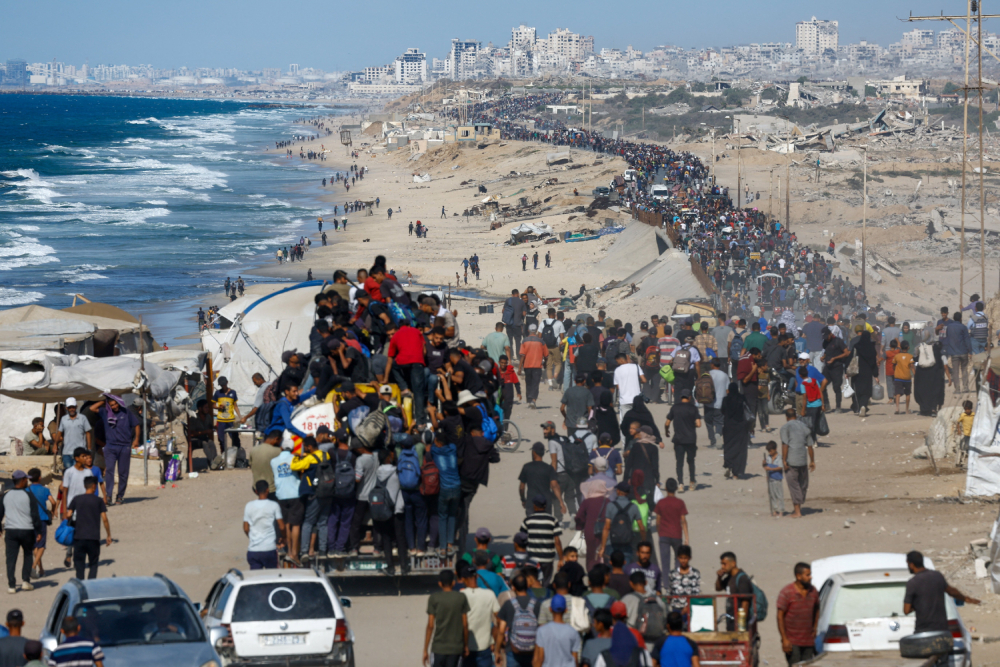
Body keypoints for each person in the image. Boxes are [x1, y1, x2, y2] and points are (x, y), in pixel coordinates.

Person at [903, 550, 979, 633]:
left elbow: (906, 610)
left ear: (911, 564)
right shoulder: (937, 576)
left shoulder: (912, 583)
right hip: (942, 630)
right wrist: (966, 599)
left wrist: (918, 604)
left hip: (923, 631)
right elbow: (952, 591)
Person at [88, 394, 139, 506]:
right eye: (111, 405)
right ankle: (109, 495)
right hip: (110, 447)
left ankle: (120, 496)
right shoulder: (105, 412)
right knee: (109, 472)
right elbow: (92, 409)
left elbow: (136, 424)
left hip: (124, 446)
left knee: (123, 473)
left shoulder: (126, 412)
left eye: (115, 403)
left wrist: (136, 440)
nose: (114, 406)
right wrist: (103, 401)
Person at [1, 471, 40, 594]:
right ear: (22, 480)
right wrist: (39, 531)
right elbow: (35, 515)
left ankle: (11, 585)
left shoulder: (5, 496)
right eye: (26, 479)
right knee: (28, 555)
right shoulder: (29, 495)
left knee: (11, 558)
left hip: (11, 531)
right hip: (26, 530)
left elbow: (0, 513)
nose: (27, 481)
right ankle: (25, 581)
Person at [65, 476, 110, 580]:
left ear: (85, 486)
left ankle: (81, 586)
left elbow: (68, 514)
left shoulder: (77, 499)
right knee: (93, 564)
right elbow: (104, 519)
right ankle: (91, 587)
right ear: (94, 486)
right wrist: (108, 535)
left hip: (79, 537)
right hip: (93, 538)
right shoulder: (98, 501)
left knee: (79, 565)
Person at [423, 569, 470, 667]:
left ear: (440, 584)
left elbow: (430, 626)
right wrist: (466, 645)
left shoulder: (434, 598)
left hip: (439, 647)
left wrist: (425, 649)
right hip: (456, 647)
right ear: (453, 582)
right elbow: (465, 624)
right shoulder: (461, 597)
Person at [776, 563, 820, 666]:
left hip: (808, 642)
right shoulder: (787, 592)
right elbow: (780, 616)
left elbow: (817, 609)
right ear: (798, 576)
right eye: (807, 575)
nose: (810, 577)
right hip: (792, 642)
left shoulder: (813, 592)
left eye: (810, 574)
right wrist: (784, 639)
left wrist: (815, 627)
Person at [459, 561, 500, 666]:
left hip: (466, 647)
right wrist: (493, 641)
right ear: (477, 576)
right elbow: (498, 621)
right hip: (485, 646)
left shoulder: (461, 595)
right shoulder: (489, 594)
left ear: (463, 579)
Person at [520, 494, 563, 586]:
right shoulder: (552, 520)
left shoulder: (528, 520)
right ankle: (544, 597)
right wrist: (561, 558)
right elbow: (557, 541)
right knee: (545, 583)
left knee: (532, 581)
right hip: (547, 559)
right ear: (545, 506)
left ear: (534, 506)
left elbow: (521, 539)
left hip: (532, 558)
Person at [664, 390, 701, 492]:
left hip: (678, 440)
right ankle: (692, 483)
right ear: (689, 397)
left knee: (679, 463)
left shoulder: (675, 408)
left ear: (681, 397)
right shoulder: (693, 408)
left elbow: (667, 423)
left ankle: (680, 484)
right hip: (691, 439)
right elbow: (698, 424)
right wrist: (690, 424)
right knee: (691, 461)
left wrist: (667, 431)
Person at [780, 408, 815, 519]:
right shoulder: (804, 427)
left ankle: (797, 512)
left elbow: (785, 444)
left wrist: (784, 460)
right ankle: (799, 504)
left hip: (792, 460)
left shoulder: (785, 427)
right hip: (803, 460)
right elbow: (810, 446)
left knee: (794, 485)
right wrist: (812, 461)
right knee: (802, 484)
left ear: (786, 417)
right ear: (795, 415)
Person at [598, 483, 645, 564]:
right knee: (626, 569)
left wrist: (602, 547)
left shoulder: (610, 506)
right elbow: (641, 527)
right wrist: (643, 541)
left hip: (612, 543)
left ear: (619, 491)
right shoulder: (634, 507)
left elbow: (607, 527)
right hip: (627, 542)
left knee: (612, 569)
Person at [243, 479, 284, 570]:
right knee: (272, 579)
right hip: (269, 550)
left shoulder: (248, 506)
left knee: (255, 579)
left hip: (253, 551)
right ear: (268, 490)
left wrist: (252, 537)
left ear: (256, 491)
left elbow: (246, 528)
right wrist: (283, 538)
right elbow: (281, 526)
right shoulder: (274, 505)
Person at [520, 442, 566, 517]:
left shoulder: (526, 467)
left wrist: (523, 499)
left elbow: (522, 487)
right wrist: (561, 502)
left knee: (532, 525)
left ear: (533, 452)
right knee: (546, 525)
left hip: (531, 503)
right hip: (546, 503)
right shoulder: (549, 468)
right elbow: (555, 486)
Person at [533, 594, 581, 667]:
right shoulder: (573, 632)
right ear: (566, 610)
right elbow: (575, 659)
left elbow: (540, 658)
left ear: (550, 609)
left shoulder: (542, 631)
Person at [654, 479, 689, 577]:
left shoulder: (661, 502)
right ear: (676, 488)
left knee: (665, 562)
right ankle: (677, 580)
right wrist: (686, 537)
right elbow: (683, 521)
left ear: (665, 488)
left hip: (664, 535)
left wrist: (659, 533)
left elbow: (658, 521)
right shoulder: (680, 502)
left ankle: (666, 584)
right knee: (678, 560)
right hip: (677, 535)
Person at [713, 553, 752, 631]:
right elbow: (718, 588)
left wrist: (741, 627)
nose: (722, 567)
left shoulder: (742, 579)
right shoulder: (730, 578)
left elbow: (745, 604)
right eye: (721, 564)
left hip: (739, 625)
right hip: (731, 621)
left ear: (733, 563)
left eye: (724, 564)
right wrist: (719, 577)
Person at [27, 469, 55, 580]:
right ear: (40, 477)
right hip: (42, 519)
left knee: (35, 545)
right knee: (41, 545)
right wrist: (52, 511)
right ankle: (33, 567)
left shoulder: (26, 490)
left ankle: (41, 569)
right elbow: (53, 502)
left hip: (30, 520)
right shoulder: (45, 490)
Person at [721, 383, 750, 480]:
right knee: (740, 449)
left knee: (729, 447)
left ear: (729, 390)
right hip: (741, 427)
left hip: (729, 427)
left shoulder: (725, 399)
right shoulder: (742, 398)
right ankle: (736, 474)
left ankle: (729, 465)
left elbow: (722, 411)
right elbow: (747, 411)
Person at [56, 398, 92, 471]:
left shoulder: (83, 418)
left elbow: (88, 433)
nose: (71, 409)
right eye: (70, 407)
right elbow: (59, 432)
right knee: (68, 471)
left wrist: (89, 448)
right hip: (66, 452)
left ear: (76, 407)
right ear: (67, 408)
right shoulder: (63, 419)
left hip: (80, 452)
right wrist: (55, 445)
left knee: (79, 471)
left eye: (73, 407)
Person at [914, 340, 947, 418]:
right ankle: (933, 409)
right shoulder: (938, 356)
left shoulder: (922, 356)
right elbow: (941, 367)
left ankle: (924, 409)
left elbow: (915, 361)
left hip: (922, 377)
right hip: (934, 378)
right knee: (934, 392)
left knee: (923, 392)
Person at [850, 330, 878, 417]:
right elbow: (873, 362)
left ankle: (859, 408)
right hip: (868, 372)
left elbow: (850, 359)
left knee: (857, 390)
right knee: (866, 390)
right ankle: (863, 405)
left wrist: (846, 372)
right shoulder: (871, 348)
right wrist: (875, 374)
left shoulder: (856, 346)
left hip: (857, 371)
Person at [520, 324, 549, 409]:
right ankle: (533, 400)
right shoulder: (541, 341)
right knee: (535, 384)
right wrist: (545, 363)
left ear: (528, 331)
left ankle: (529, 400)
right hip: (537, 366)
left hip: (527, 366)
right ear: (536, 331)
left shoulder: (524, 341)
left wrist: (519, 367)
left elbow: (522, 355)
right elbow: (546, 355)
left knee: (528, 383)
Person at [667, 545, 701, 616]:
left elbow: (696, 592)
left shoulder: (695, 573)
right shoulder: (672, 573)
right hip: (675, 609)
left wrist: (687, 607)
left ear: (689, 558)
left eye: (685, 558)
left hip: (690, 609)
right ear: (678, 558)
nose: (683, 560)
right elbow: (670, 591)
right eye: (681, 558)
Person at [703, 359, 728, 448]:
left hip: (708, 402)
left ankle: (713, 441)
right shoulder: (724, 375)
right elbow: (727, 390)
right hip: (720, 403)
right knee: (719, 421)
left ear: (712, 365)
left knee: (708, 422)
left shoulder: (707, 374)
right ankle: (718, 433)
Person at [613, 353, 645, 423]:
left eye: (617, 361)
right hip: (637, 399)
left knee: (625, 421)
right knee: (637, 420)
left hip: (624, 400)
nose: (616, 363)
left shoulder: (617, 370)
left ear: (621, 360)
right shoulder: (636, 366)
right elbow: (644, 380)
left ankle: (624, 434)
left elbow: (618, 386)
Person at [893, 341, 916, 415]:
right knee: (908, 394)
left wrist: (895, 371)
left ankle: (897, 409)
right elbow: (912, 367)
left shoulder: (897, 356)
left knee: (897, 393)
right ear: (908, 347)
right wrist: (915, 375)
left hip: (898, 377)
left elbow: (893, 365)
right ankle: (906, 410)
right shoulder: (910, 356)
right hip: (907, 378)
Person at [763, 442, 785, 517]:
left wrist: (771, 468)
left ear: (775, 449)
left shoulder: (779, 457)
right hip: (770, 479)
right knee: (772, 495)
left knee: (779, 495)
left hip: (777, 479)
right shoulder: (768, 457)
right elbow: (765, 467)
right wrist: (764, 464)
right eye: (769, 451)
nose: (770, 452)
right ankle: (775, 510)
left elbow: (780, 467)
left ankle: (781, 511)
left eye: (771, 451)